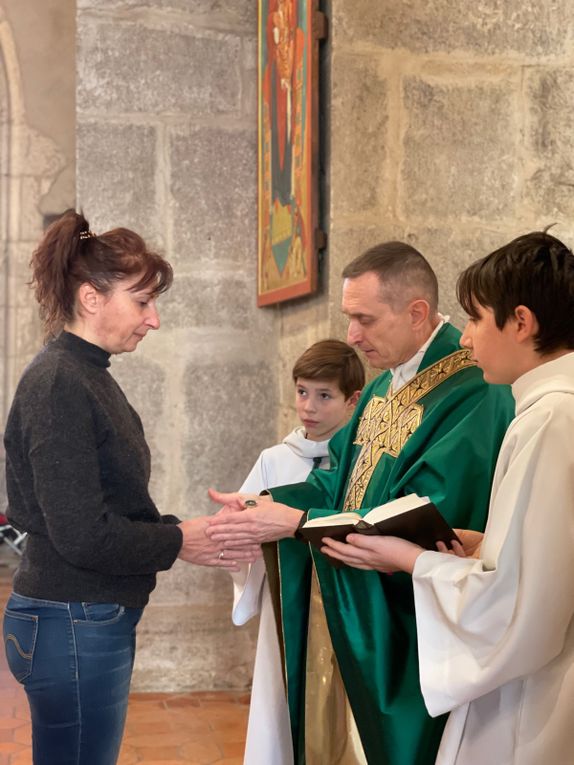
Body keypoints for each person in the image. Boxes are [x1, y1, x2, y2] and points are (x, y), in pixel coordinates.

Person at [207, 241, 515, 765]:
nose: (352, 335)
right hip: (355, 597)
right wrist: (267, 504)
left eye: (364, 319)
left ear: (417, 313)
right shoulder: (378, 392)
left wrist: (300, 520)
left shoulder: (473, 393)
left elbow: (428, 518)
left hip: (408, 621)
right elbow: (342, 488)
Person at [1, 210, 257, 765]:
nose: (154, 320)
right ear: (92, 299)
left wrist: (188, 531)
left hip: (80, 615)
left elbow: (107, 508)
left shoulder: (85, 374)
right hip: (72, 617)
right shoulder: (59, 383)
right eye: (142, 302)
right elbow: (81, 535)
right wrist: (178, 541)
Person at [322, 231, 574, 765]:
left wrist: (409, 558)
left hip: (540, 687)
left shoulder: (551, 418)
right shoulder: (556, 408)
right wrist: (486, 544)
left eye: (478, 319)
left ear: (522, 323)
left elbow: (513, 608)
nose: (465, 339)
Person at [232, 339, 365, 765]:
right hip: (289, 606)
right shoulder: (275, 460)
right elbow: (244, 524)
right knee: (282, 699)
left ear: (353, 399)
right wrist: (238, 540)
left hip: (348, 602)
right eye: (302, 391)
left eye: (324, 395)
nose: (308, 406)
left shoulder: (363, 459)